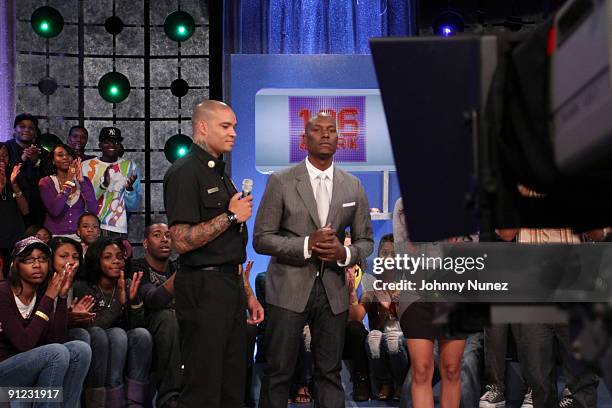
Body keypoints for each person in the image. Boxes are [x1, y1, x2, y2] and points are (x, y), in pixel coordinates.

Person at [254, 112, 374, 408]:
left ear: (339, 140)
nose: (325, 135)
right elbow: (261, 239)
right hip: (287, 288)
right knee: (278, 371)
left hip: (333, 291)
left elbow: (366, 241)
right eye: (317, 130)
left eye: (331, 130)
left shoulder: (353, 186)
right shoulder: (281, 182)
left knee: (329, 374)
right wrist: (307, 244)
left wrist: (343, 254)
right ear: (304, 139)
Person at [163, 99, 264, 408]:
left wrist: (247, 294)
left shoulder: (219, 172)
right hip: (202, 289)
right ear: (202, 127)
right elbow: (180, 240)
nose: (233, 132)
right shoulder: (184, 172)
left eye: (234, 126)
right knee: (204, 385)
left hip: (228, 288)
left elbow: (229, 250)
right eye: (225, 126)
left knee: (232, 384)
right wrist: (230, 217)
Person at [393, 197, 468, 408]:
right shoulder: (403, 205)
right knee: (421, 369)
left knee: (452, 369)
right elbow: (402, 256)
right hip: (417, 295)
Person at [0, 236, 91, 407]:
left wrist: (62, 297)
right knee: (56, 353)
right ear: (15, 265)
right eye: (29, 260)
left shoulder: (42, 292)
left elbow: (56, 340)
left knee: (80, 349)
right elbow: (24, 344)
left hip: (30, 375)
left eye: (42, 259)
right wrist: (49, 298)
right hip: (5, 381)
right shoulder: (3, 293)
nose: (37, 265)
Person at [73, 237, 152, 407]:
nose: (116, 261)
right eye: (107, 257)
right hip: (97, 340)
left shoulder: (128, 283)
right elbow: (93, 327)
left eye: (119, 256)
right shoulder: (83, 286)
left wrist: (133, 302)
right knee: (115, 335)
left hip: (122, 338)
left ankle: (135, 401)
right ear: (96, 260)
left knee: (142, 334)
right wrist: (119, 303)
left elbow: (136, 326)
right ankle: (108, 400)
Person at [349, 234, 409, 402]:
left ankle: (399, 383)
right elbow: (362, 318)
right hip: (384, 336)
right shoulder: (372, 282)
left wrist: (392, 307)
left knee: (392, 339)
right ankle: (385, 382)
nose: (389, 258)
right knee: (373, 338)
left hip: (406, 337)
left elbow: (413, 323)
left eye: (394, 254)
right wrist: (352, 292)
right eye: (384, 253)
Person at [132, 222, 181, 408]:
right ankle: (169, 398)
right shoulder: (137, 267)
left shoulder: (175, 267)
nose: (164, 239)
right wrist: (183, 272)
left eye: (168, 235)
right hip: (146, 325)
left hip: (175, 324)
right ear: (145, 243)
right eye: (157, 235)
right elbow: (153, 300)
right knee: (168, 317)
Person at [82, 127, 141, 237]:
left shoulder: (130, 166)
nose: (112, 145)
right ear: (100, 145)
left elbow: (133, 207)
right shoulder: (86, 166)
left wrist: (129, 190)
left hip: (116, 228)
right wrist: (104, 185)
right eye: (107, 142)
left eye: (116, 142)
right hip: (91, 226)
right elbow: (84, 201)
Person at [39, 143, 98, 236]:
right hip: (55, 236)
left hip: (79, 236)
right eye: (60, 155)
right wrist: (69, 182)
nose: (65, 157)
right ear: (53, 161)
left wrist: (82, 182)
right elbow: (55, 210)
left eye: (69, 155)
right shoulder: (45, 182)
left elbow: (93, 211)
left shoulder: (84, 181)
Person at [5, 113, 49, 226]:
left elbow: (48, 177)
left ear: (35, 132)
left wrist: (35, 162)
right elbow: (5, 172)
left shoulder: (42, 152)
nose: (26, 130)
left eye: (31, 128)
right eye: (22, 126)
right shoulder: (5, 148)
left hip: (36, 207)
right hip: (10, 206)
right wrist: (22, 159)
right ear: (15, 129)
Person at [0, 141, 27, 279]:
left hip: (14, 238)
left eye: (5, 155)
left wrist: (14, 184)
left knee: (14, 280)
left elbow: (25, 210)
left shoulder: (14, 177)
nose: (2, 159)